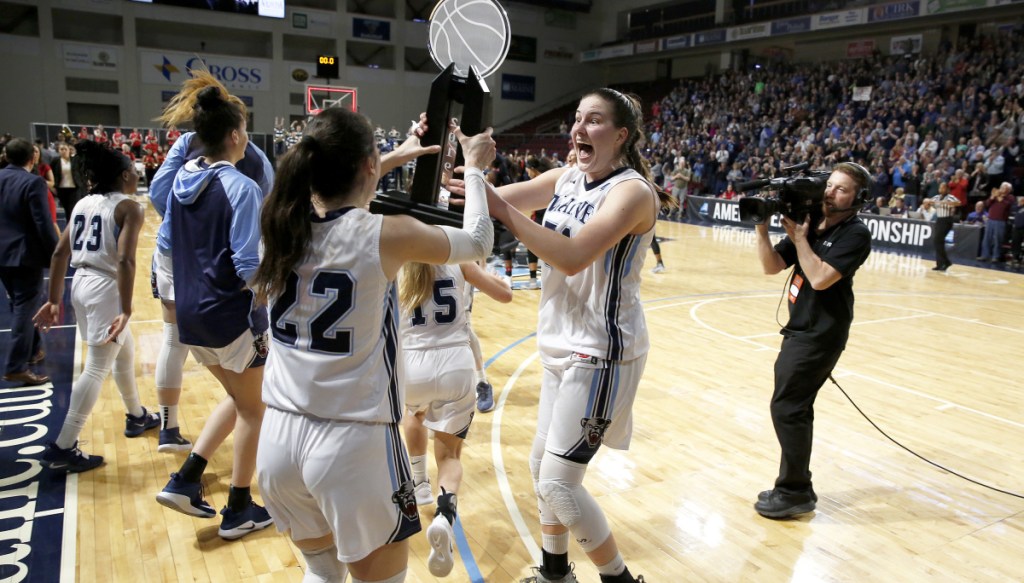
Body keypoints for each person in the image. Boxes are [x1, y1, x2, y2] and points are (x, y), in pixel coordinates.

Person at [252, 107, 494, 583]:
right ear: (367, 165)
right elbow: (480, 240)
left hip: (279, 438)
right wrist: (478, 170)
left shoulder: (277, 225)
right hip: (351, 440)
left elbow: (329, 192)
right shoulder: (386, 234)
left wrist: (389, 157)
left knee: (322, 573)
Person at [451, 88, 667, 583]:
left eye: (593, 121)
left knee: (560, 483)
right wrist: (464, 160)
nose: (578, 128)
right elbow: (481, 203)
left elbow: (570, 256)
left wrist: (503, 210)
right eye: (576, 119)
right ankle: (554, 572)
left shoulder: (632, 192)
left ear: (620, 136)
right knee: (540, 469)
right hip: (559, 340)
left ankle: (619, 579)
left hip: (603, 351)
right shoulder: (567, 176)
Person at [153, 81, 273, 541]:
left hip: (190, 318)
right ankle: (239, 506)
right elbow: (247, 266)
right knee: (255, 410)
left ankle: (186, 479)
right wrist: (276, 290)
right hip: (229, 317)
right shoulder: (240, 186)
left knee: (243, 398)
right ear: (237, 135)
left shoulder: (181, 181)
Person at [753, 162, 872, 519]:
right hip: (800, 329)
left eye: (841, 189)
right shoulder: (812, 223)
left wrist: (801, 240)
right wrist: (761, 229)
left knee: (788, 408)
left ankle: (795, 491)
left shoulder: (855, 234)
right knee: (792, 407)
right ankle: (794, 486)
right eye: (830, 185)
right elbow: (772, 265)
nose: (830, 193)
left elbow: (820, 278)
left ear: (858, 199)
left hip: (821, 334)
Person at [33, 140, 158, 472]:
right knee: (97, 367)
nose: (136, 174)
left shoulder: (83, 203)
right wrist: (127, 308)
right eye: (133, 170)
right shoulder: (130, 207)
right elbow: (126, 260)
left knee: (124, 350)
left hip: (81, 284)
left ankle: (136, 415)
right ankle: (63, 446)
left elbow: (60, 254)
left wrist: (53, 299)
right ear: (123, 176)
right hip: (105, 288)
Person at [399, 260, 512, 576]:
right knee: (449, 455)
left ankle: (419, 483)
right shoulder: (457, 259)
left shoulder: (396, 261)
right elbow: (505, 295)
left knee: (414, 414)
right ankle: (444, 514)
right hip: (455, 363)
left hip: (412, 362)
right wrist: (487, 270)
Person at [0, 138, 59, 386]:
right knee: (25, 306)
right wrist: (57, 254)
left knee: (19, 302)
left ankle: (33, 348)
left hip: (2, 254)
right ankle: (15, 366)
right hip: (24, 256)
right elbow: (42, 224)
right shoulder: (33, 182)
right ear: (32, 158)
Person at [979, 182, 1014, 262]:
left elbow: (1006, 205)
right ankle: (985, 255)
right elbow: (987, 204)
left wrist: (998, 196)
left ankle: (996, 256)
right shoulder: (995, 196)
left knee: (998, 239)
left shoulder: (1010, 197)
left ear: (1008, 190)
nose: (1002, 188)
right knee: (987, 238)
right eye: (1001, 187)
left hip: (1000, 221)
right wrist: (992, 196)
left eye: (1004, 187)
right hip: (990, 219)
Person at [931, 183, 961, 271]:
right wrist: (928, 202)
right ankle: (940, 264)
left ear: (947, 189)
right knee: (938, 242)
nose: (941, 189)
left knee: (937, 240)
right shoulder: (936, 197)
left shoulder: (949, 197)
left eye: (943, 187)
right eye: (940, 187)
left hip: (946, 220)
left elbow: (959, 203)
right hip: (939, 220)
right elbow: (929, 201)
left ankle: (946, 262)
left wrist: (948, 203)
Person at [52, 143, 82, 220]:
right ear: (58, 151)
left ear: (69, 150)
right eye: (61, 149)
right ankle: (68, 227)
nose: (64, 151)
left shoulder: (75, 160)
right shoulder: (55, 161)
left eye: (65, 149)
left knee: (73, 209)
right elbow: (52, 173)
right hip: (62, 189)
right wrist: (53, 186)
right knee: (66, 210)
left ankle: (72, 226)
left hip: (74, 188)